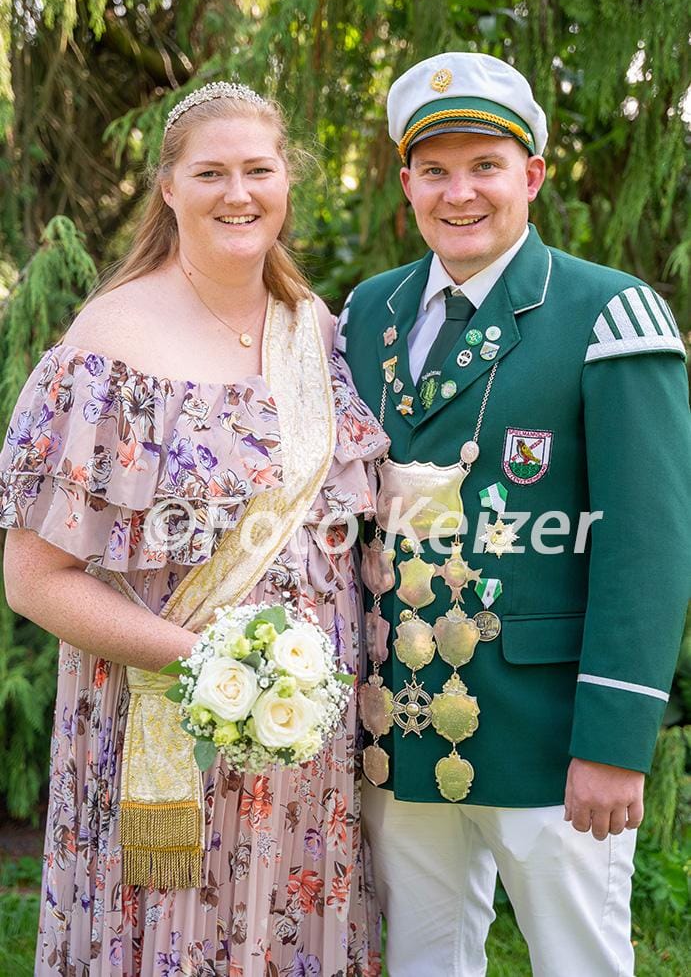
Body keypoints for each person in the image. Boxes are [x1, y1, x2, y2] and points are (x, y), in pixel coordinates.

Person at [0, 82, 387, 976]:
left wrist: (288, 691)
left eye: (258, 169)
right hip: (162, 717)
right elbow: (33, 579)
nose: (237, 193)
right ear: (168, 187)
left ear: (287, 180)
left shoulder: (314, 330)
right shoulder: (109, 343)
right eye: (210, 172)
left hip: (306, 740)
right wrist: (213, 669)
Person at [337, 52, 691, 976]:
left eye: (484, 166)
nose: (459, 193)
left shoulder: (608, 313)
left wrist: (613, 743)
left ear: (530, 176)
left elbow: (647, 549)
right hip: (402, 721)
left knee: (577, 962)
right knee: (421, 959)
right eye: (434, 170)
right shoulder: (366, 314)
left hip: (547, 729)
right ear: (406, 183)